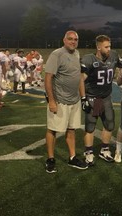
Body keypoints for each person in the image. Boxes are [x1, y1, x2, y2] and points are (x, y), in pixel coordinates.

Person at [44, 30, 88, 173]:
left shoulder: (76, 54)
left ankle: (72, 157)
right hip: (59, 100)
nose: (73, 41)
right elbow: (48, 78)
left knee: (71, 129)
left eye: (75, 39)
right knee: (52, 129)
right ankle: (50, 159)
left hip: (74, 100)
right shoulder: (57, 54)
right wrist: (51, 100)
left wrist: (83, 97)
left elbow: (79, 77)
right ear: (64, 40)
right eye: (70, 39)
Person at [80, 35, 122, 165]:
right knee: (90, 127)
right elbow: (80, 79)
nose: (109, 49)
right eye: (106, 47)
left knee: (109, 124)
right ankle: (88, 152)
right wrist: (84, 98)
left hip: (106, 97)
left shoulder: (114, 56)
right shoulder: (89, 59)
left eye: (110, 46)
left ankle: (104, 150)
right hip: (93, 97)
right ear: (98, 47)